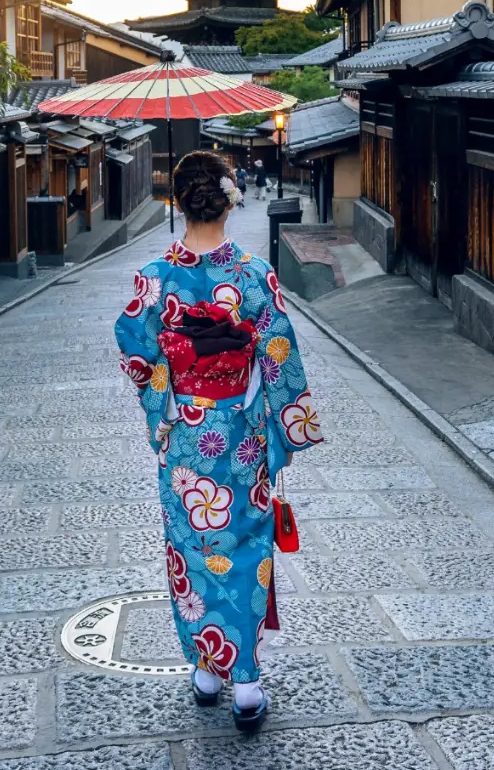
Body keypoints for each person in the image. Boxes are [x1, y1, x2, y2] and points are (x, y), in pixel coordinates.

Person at [115, 150, 323, 732]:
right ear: (230, 200)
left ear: (178, 202)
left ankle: (208, 669)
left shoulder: (154, 280)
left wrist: (168, 399)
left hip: (185, 439)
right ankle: (248, 683)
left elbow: (136, 349)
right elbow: (279, 352)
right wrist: (280, 416)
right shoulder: (254, 275)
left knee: (193, 550)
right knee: (248, 547)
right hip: (241, 436)